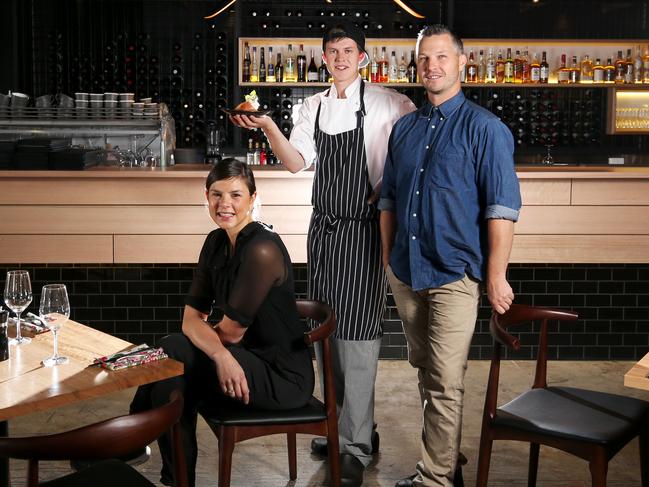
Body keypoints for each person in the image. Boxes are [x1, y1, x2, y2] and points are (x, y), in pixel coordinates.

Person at [230, 23, 415, 487]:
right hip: (325, 232)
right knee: (325, 330)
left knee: (358, 334)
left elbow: (413, 150)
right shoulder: (311, 106)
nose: (340, 57)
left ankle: (355, 445)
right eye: (332, 51)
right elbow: (296, 162)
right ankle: (343, 426)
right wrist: (268, 125)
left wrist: (388, 189)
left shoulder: (391, 103)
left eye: (348, 50)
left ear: (363, 57)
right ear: (325, 58)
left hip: (365, 231)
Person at [379, 25, 522, 487]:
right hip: (407, 270)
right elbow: (389, 200)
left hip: (455, 274)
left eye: (442, 57)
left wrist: (496, 276)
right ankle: (446, 462)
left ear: (463, 63)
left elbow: (501, 209)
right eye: (424, 59)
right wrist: (388, 260)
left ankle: (434, 479)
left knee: (445, 380)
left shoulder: (486, 129)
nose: (432, 66)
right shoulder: (404, 128)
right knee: (426, 371)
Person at [130, 158, 314, 487]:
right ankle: (176, 479)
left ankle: (131, 442)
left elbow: (229, 332)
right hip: (241, 363)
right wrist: (221, 355)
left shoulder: (262, 249)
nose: (224, 204)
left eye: (235, 195)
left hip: (281, 377)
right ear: (206, 196)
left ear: (253, 199)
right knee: (174, 374)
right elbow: (190, 319)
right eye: (216, 195)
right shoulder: (215, 242)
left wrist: (216, 350)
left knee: (173, 349)